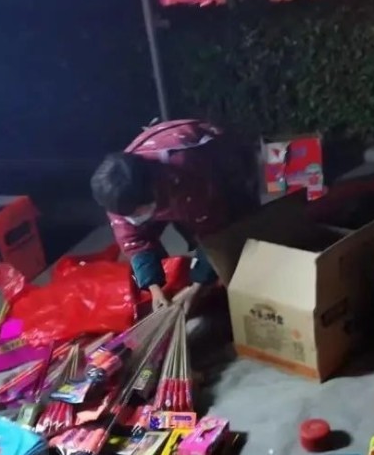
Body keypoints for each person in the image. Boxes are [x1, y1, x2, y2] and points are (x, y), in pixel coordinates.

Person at [91, 120, 256, 314]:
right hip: (172, 190)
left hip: (227, 165)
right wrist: (155, 290)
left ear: (152, 195)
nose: (132, 219)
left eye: (136, 213)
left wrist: (197, 286)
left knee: (241, 231)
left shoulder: (187, 171)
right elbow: (134, 240)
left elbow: (215, 229)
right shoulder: (117, 193)